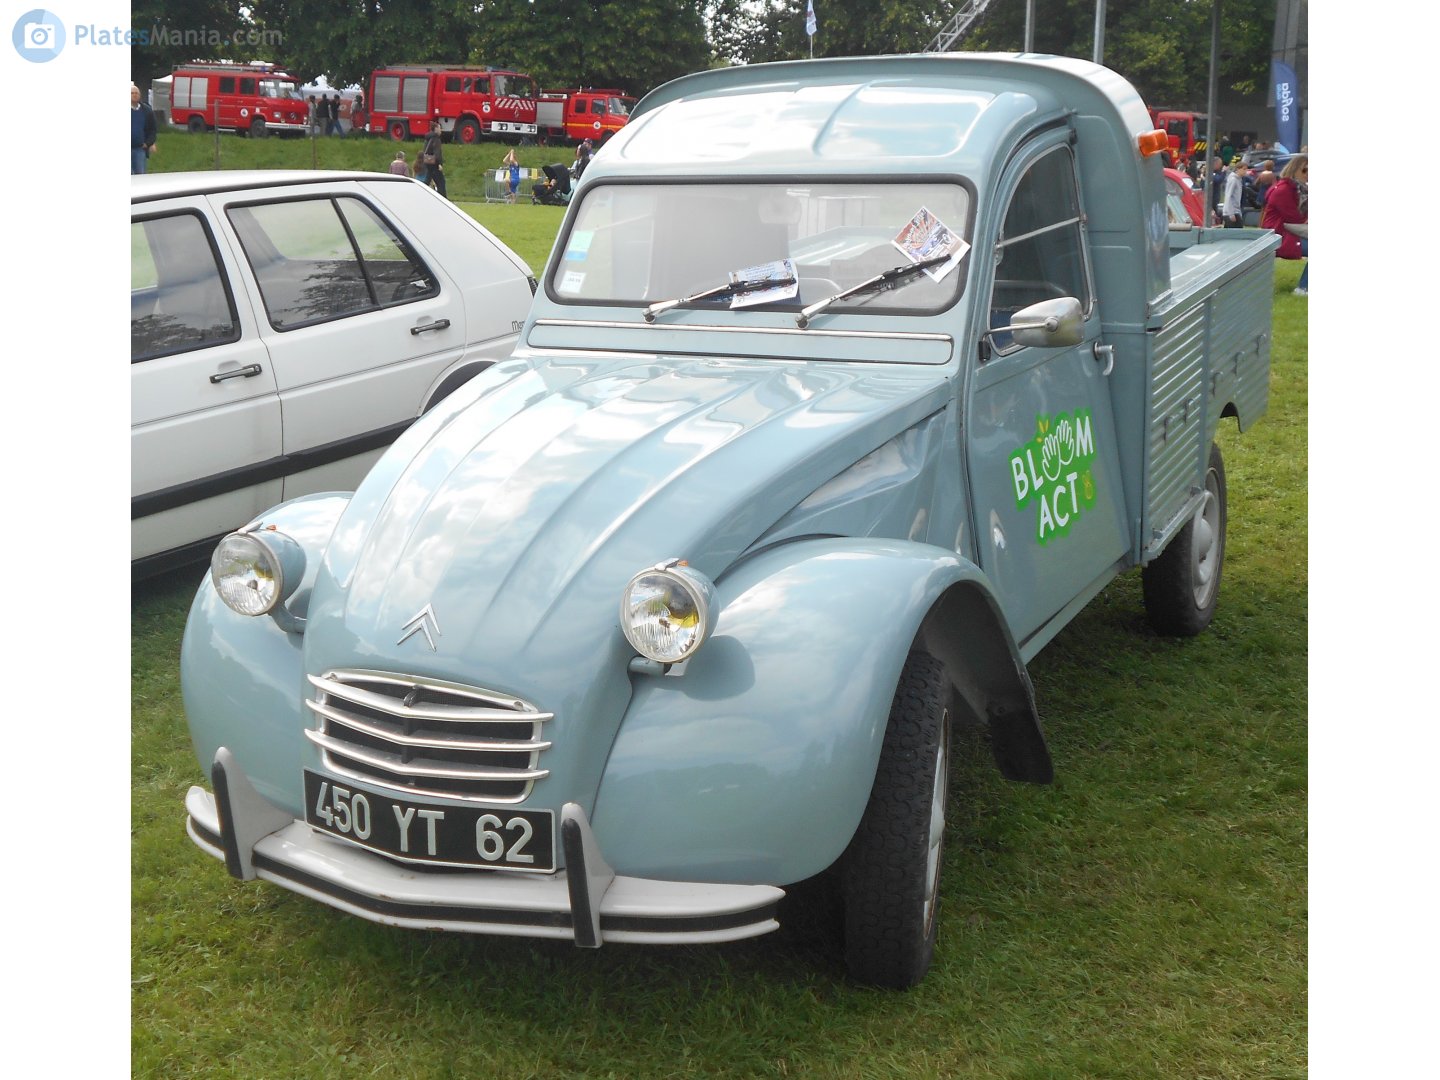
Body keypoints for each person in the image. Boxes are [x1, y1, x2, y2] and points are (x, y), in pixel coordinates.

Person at [1261, 154, 1308, 295]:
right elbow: (1296, 218)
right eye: (1304, 170)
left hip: (1287, 233)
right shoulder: (1284, 190)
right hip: (1278, 236)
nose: (1308, 174)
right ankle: (1303, 288)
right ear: (1294, 170)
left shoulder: (1297, 189)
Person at [131, 83, 158, 175]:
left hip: (140, 149)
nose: (134, 95)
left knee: (140, 175)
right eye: (132, 93)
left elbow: (153, 129)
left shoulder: (146, 110)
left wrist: (148, 143)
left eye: (136, 93)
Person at [421, 120, 446, 197]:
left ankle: (420, 193)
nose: (441, 130)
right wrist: (439, 163)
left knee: (427, 181)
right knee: (441, 182)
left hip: (427, 161)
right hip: (434, 163)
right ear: (435, 129)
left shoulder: (428, 138)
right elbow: (437, 152)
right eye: (439, 128)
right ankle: (443, 199)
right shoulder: (436, 139)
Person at [1220, 159, 1249, 228]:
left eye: (1246, 169)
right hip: (1231, 211)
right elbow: (1228, 196)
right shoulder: (1233, 180)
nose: (1245, 171)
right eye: (1244, 169)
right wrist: (1231, 213)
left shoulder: (1239, 180)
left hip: (1236, 211)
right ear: (1238, 169)